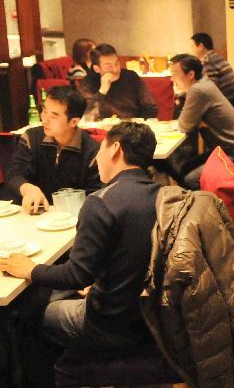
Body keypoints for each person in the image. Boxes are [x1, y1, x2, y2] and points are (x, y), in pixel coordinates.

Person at [0, 122, 160, 349]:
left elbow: (76, 276)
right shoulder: (161, 194)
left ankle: (48, 381)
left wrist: (30, 269)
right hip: (148, 315)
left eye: (101, 149)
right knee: (46, 294)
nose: (97, 158)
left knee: (26, 314)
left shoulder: (101, 202)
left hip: (109, 323)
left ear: (115, 149)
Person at [7, 85, 101, 214]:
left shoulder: (92, 151)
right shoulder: (31, 137)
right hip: (34, 213)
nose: (45, 119)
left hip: (73, 218)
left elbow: (96, 195)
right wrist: (27, 188)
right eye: (44, 111)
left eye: (54, 115)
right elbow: (14, 173)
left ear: (73, 122)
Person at [169, 53, 234, 190]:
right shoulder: (205, 83)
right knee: (182, 168)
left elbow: (184, 125)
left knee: (190, 179)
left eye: (175, 73)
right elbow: (189, 122)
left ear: (191, 74)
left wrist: (193, 121)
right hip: (226, 149)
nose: (172, 78)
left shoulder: (198, 90)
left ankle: (212, 209)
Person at [81, 43, 158, 119]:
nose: (115, 69)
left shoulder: (131, 77)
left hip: (131, 127)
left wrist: (138, 123)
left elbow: (151, 108)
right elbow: (88, 113)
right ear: (97, 68)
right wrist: (102, 91)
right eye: (109, 66)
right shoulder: (88, 82)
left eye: (116, 63)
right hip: (102, 128)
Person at [190, 32, 234, 108]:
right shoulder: (215, 57)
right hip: (231, 100)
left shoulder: (208, 61)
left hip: (225, 104)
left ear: (201, 46)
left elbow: (210, 89)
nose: (191, 49)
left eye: (192, 46)